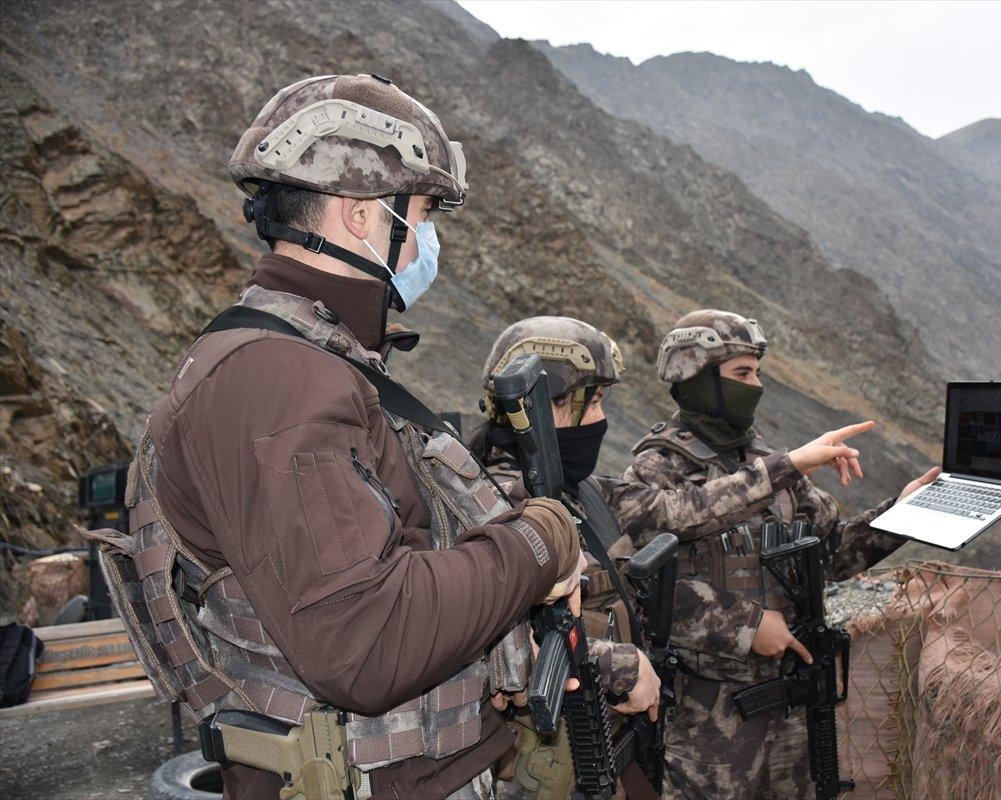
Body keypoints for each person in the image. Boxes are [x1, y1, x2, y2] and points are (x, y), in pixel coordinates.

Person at [89, 75, 584, 800]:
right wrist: (541, 544)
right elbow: (367, 642)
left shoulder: (313, 360)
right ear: (361, 216)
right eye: (418, 215)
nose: (425, 241)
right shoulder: (278, 382)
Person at [608, 309, 940, 800]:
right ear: (697, 379)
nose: (756, 385)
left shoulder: (765, 462)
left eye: (757, 372)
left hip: (794, 712)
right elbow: (643, 577)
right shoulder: (655, 469)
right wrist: (744, 625)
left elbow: (833, 555)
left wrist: (903, 513)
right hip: (708, 724)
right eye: (742, 373)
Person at [471, 316, 661, 799]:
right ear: (544, 403)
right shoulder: (489, 501)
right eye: (590, 401)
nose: (600, 420)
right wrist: (616, 664)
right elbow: (484, 642)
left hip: (598, 753)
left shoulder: (579, 493)